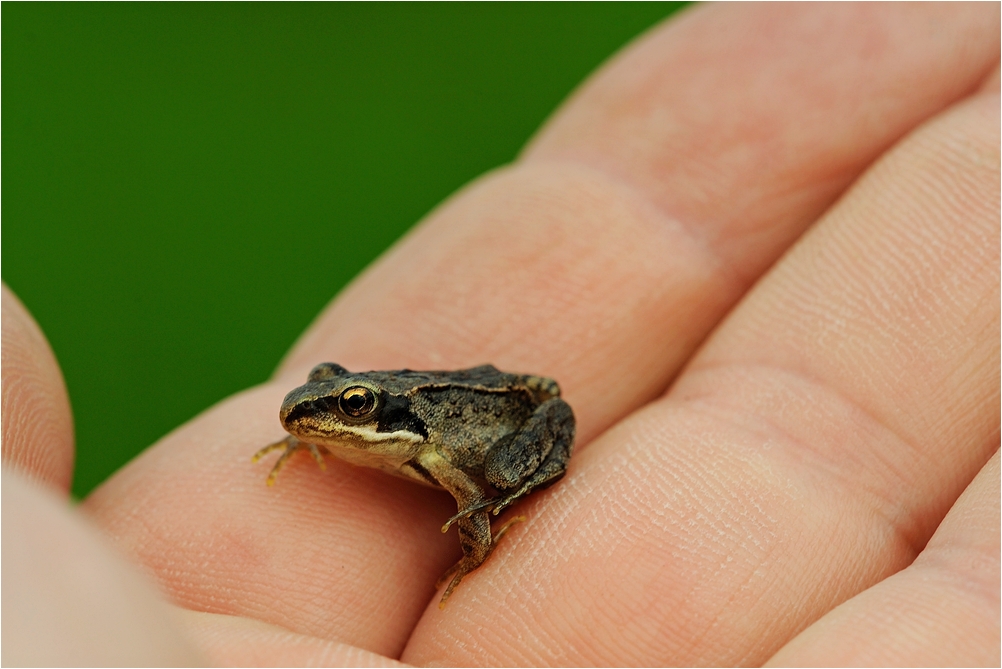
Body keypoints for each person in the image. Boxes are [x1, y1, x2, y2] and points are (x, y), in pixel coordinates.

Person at [3, 3, 998, 665]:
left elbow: (469, 488)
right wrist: (310, 425)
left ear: (383, 414)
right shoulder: (354, 436)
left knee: (488, 499)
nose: (328, 418)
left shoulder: (429, 443)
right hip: (459, 392)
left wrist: (480, 523)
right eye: (329, 404)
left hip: (500, 413)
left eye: (347, 409)